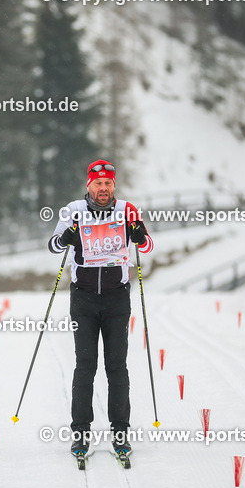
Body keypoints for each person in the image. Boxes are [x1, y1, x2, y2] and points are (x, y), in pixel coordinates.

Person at [48, 159, 153, 460]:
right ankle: (80, 434)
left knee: (116, 366)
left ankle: (120, 434)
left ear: (114, 185)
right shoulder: (73, 211)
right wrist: (66, 238)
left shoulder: (127, 211)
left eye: (108, 183)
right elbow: (53, 246)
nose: (103, 188)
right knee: (85, 366)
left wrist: (138, 235)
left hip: (117, 298)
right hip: (83, 299)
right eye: (98, 183)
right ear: (89, 185)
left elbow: (146, 247)